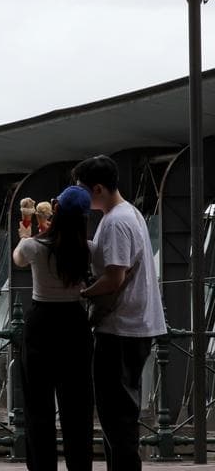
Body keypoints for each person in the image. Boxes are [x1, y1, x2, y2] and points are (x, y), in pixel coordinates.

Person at [74, 155, 166, 471]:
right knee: (122, 411)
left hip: (120, 328)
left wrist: (82, 293)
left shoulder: (115, 222)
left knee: (116, 414)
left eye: (82, 190)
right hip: (135, 326)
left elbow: (114, 276)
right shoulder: (129, 214)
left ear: (97, 188)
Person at [12, 185, 94, 471]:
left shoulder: (34, 246)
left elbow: (18, 257)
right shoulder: (88, 248)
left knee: (38, 407)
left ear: (55, 210)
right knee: (78, 407)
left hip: (42, 324)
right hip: (75, 323)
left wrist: (29, 229)